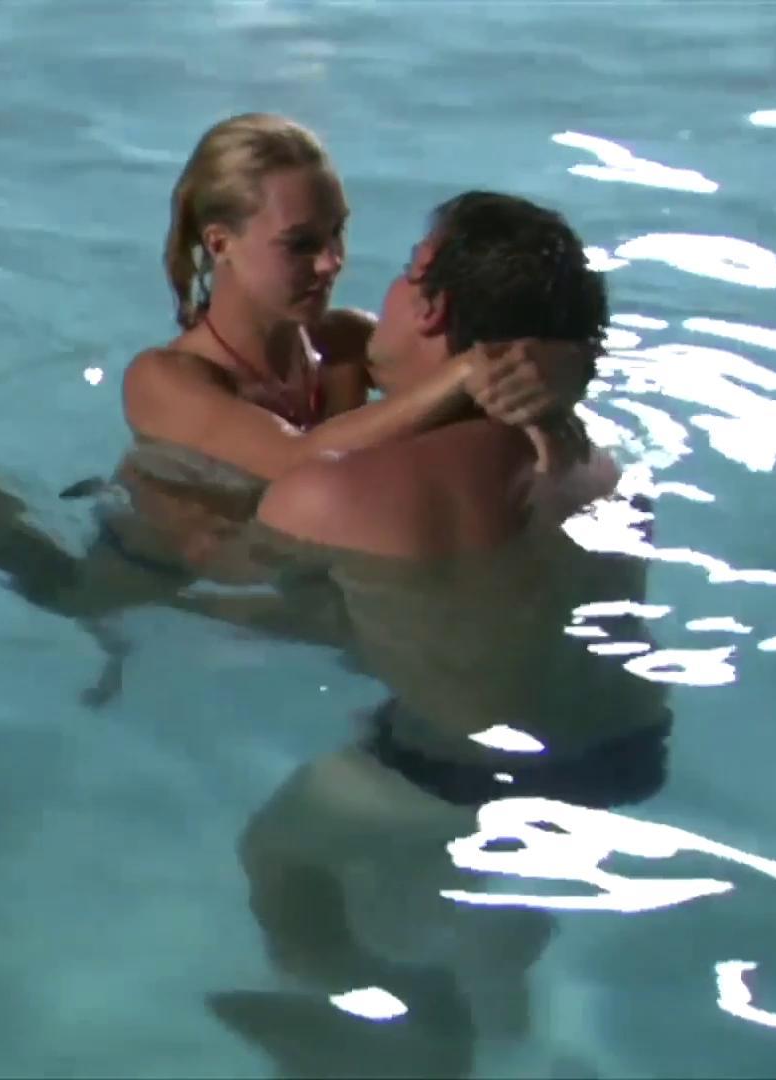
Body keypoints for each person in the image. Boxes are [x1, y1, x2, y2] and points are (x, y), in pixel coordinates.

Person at [0, 113, 591, 702]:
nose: (332, 262)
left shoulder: (344, 344)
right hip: (154, 560)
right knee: (65, 596)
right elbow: (296, 457)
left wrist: (561, 369)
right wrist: (469, 369)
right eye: (301, 244)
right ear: (221, 244)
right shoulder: (166, 378)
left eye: (338, 233)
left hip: (276, 562)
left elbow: (450, 385)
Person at [198, 192, 675, 1077]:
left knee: (281, 853)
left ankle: (383, 1018)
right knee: (420, 765)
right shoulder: (601, 465)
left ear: (432, 305)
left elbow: (237, 598)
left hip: (464, 772)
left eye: (402, 275)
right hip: (629, 748)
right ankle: (500, 985)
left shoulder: (334, 493)